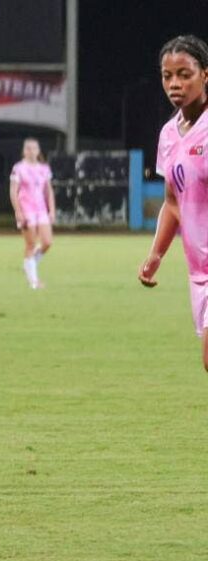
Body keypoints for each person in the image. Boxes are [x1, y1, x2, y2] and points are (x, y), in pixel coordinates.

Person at [139, 34, 208, 372]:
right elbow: (173, 202)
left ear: (205, 75)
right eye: (168, 76)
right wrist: (156, 253)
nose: (175, 83)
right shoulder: (169, 134)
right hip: (199, 272)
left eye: (185, 74)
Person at [9, 138, 55, 289]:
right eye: (28, 148)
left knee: (47, 242)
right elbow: (13, 191)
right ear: (24, 151)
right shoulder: (18, 168)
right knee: (30, 244)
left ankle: (29, 264)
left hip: (41, 209)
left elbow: (48, 190)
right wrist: (18, 211)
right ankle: (34, 282)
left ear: (38, 150)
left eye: (34, 148)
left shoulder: (44, 168)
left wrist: (52, 210)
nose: (32, 151)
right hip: (26, 209)